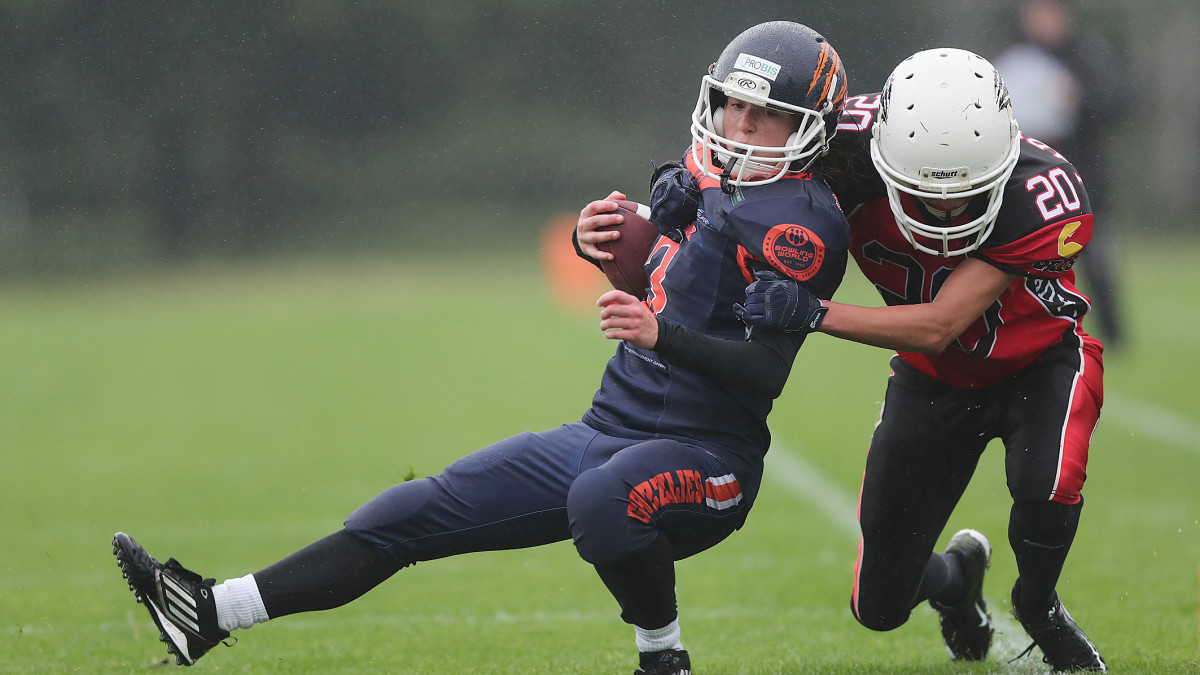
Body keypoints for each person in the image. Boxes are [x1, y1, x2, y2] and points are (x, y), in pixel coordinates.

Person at [111, 21, 850, 675]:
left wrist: (664, 334)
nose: (740, 123)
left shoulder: (799, 220)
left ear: (807, 126)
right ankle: (209, 611)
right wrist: (596, 240)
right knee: (411, 508)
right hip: (607, 430)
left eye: (766, 115)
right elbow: (668, 261)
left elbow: (764, 368)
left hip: (708, 459)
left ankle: (663, 656)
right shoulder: (705, 172)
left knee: (601, 498)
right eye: (734, 103)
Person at [737, 48, 1108, 671]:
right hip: (933, 383)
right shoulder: (839, 145)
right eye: (918, 189)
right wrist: (680, 195)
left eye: (967, 191)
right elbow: (749, 147)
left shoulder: (1039, 192)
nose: (942, 209)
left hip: (1039, 363)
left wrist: (812, 312)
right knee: (878, 606)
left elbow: (939, 325)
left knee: (1048, 482)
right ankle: (957, 580)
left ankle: (1038, 604)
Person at [992, 0, 1127, 350]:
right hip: (1030, 180)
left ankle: (1113, 337)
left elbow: (1114, 104)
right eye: (1035, 13)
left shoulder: (1086, 55)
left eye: (1048, 12)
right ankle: (1028, 334)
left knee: (1097, 260)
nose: (1041, 20)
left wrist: (1079, 99)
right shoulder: (1014, 58)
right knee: (1025, 259)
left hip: (1085, 175)